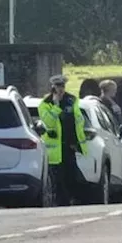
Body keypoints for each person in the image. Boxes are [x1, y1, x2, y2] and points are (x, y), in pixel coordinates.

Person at [37, 75, 86, 205]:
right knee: (59, 179)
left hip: (70, 145)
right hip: (55, 150)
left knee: (73, 176)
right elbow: (50, 122)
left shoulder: (72, 100)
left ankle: (73, 199)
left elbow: (79, 119)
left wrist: (77, 140)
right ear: (53, 87)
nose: (61, 89)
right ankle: (62, 202)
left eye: (62, 86)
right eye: (58, 86)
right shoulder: (45, 104)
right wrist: (56, 106)